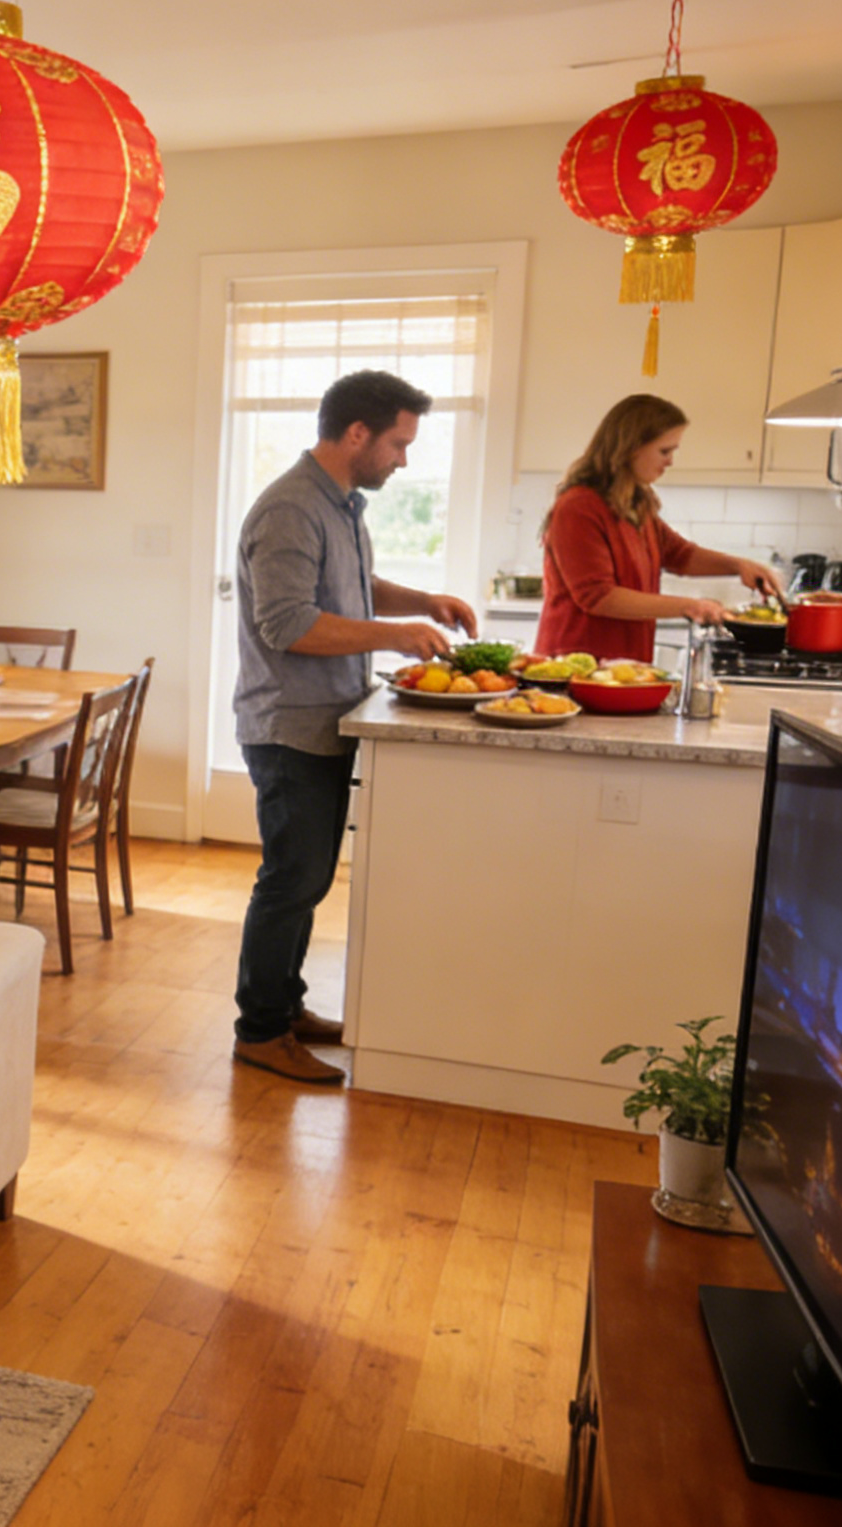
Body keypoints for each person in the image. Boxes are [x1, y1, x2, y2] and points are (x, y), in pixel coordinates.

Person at [233, 370, 476, 1085]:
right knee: (290, 880)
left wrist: (422, 600)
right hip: (288, 726)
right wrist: (395, 635)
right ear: (358, 433)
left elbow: (352, 588)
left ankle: (286, 1006)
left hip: (326, 720)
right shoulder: (289, 508)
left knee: (306, 882)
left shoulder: (342, 504)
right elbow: (288, 623)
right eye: (399, 443)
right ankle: (259, 1029)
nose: (404, 459)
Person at [534, 394, 784, 662]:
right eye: (665, 451)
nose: (670, 462)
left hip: (621, 665)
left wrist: (739, 566)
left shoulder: (634, 502)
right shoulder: (579, 507)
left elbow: (680, 555)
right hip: (575, 665)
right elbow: (597, 597)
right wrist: (689, 606)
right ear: (630, 448)